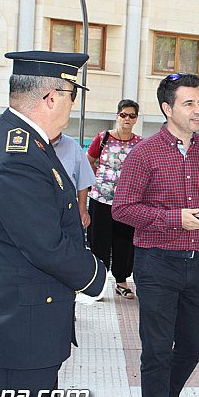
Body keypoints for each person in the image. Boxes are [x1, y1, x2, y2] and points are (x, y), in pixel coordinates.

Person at [0, 50, 107, 397]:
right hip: (16, 330)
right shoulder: (19, 152)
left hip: (24, 325)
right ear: (52, 97)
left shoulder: (27, 141)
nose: (72, 106)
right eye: (73, 95)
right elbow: (44, 243)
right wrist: (96, 277)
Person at [112, 73, 199, 397]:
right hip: (156, 264)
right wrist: (175, 218)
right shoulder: (144, 153)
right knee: (157, 350)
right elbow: (122, 208)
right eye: (189, 103)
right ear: (167, 108)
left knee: (192, 346)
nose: (198, 110)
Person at [86, 99, 143, 299]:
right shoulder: (103, 138)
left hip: (127, 204)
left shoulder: (140, 143)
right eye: (124, 114)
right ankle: (98, 284)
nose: (127, 119)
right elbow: (89, 161)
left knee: (125, 244)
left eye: (132, 115)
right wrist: (99, 179)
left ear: (136, 119)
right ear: (117, 116)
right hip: (100, 200)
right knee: (98, 242)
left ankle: (121, 281)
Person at [51, 132, 95, 227]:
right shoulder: (30, 142)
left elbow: (83, 180)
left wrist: (82, 209)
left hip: (65, 210)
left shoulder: (72, 145)